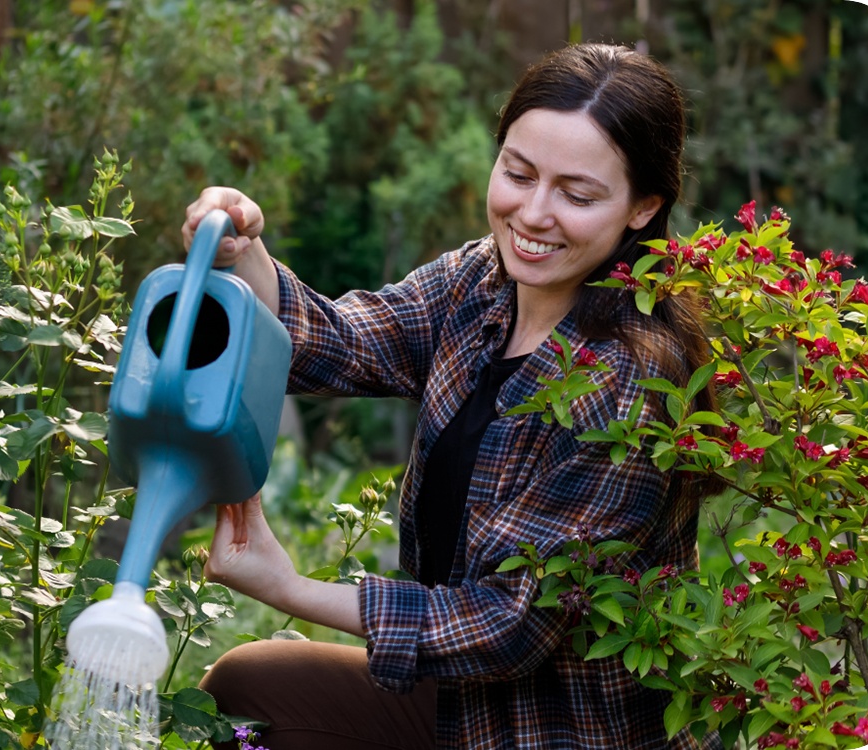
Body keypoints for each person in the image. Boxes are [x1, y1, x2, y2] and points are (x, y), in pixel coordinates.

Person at [181, 43, 721, 750]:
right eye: (518, 173)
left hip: (558, 731)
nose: (533, 214)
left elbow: (506, 626)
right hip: (459, 708)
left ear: (643, 208)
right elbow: (348, 341)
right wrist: (243, 250)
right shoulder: (483, 281)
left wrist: (289, 588)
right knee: (248, 689)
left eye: (577, 195)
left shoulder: (631, 381)